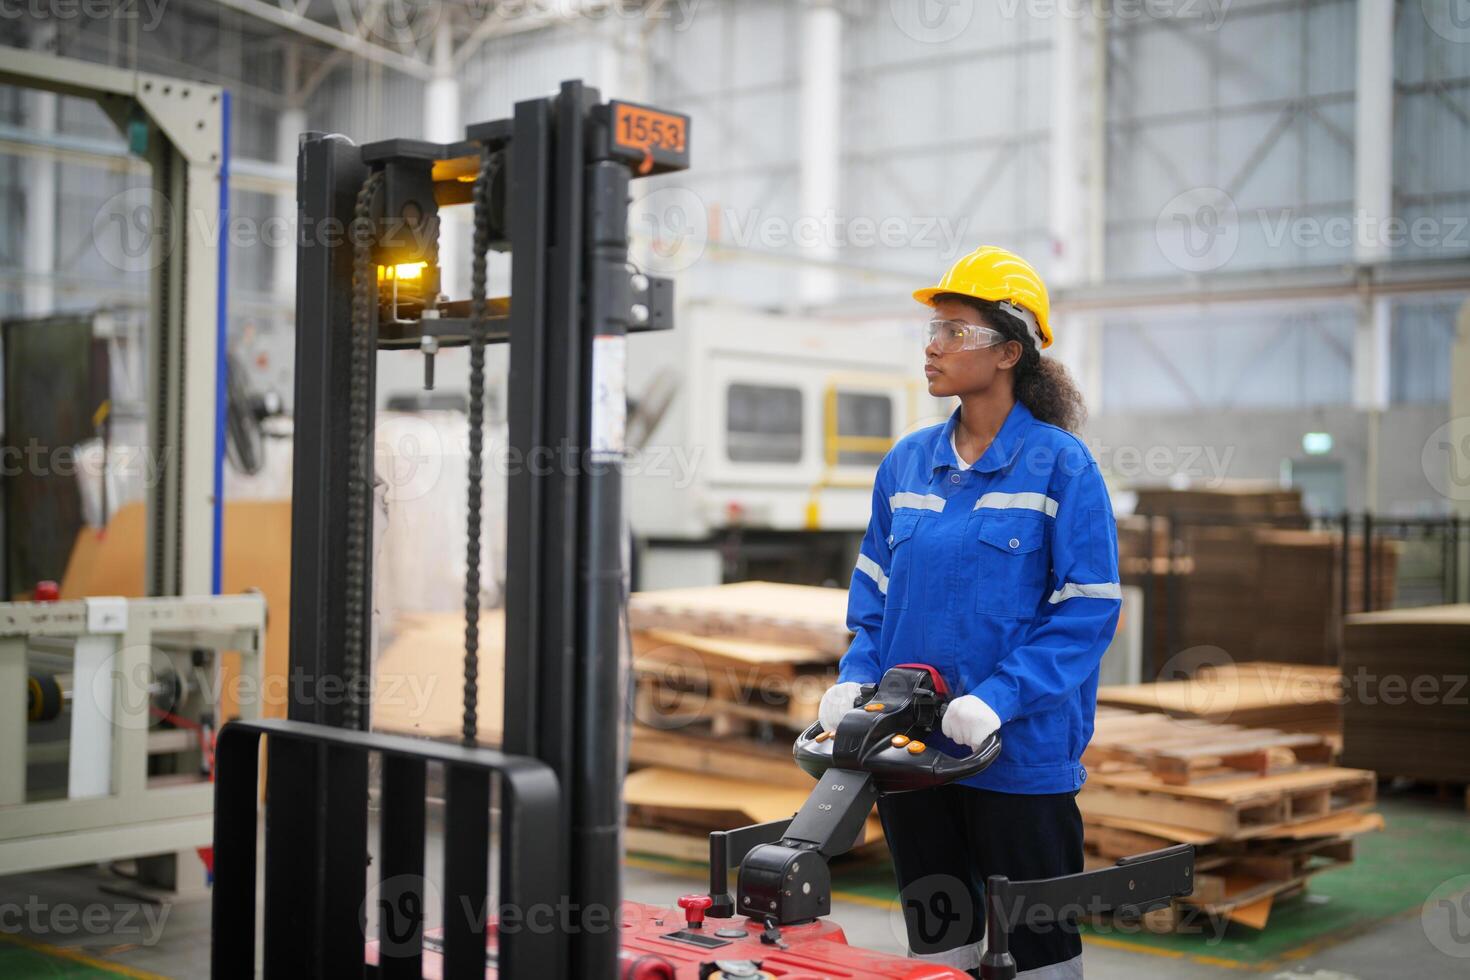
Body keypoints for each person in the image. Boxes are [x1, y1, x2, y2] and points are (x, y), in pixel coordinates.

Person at [819, 246, 1121, 979]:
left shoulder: (1062, 467)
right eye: (932, 328)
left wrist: (998, 698)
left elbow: (1086, 613)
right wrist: (856, 677)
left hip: (1018, 755)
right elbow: (875, 592)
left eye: (954, 331)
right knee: (941, 938)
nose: (932, 346)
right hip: (913, 750)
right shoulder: (907, 464)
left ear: (1009, 352)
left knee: (1037, 947)